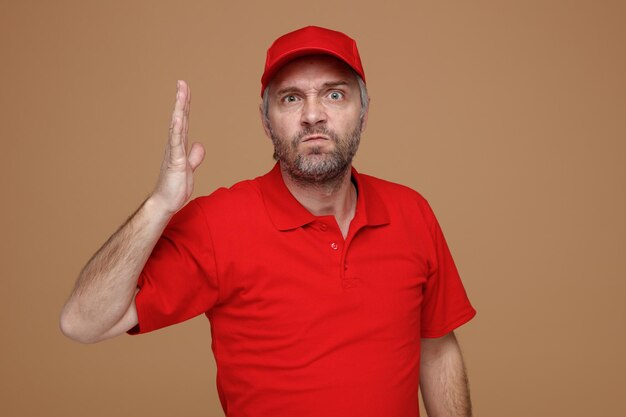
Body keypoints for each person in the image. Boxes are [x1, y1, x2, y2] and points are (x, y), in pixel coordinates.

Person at [60, 26, 477, 417]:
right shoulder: (217, 223)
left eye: (334, 95)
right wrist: (159, 206)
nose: (313, 115)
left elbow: (437, 348)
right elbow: (83, 323)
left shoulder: (411, 212)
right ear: (266, 121)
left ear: (363, 113)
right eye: (291, 98)